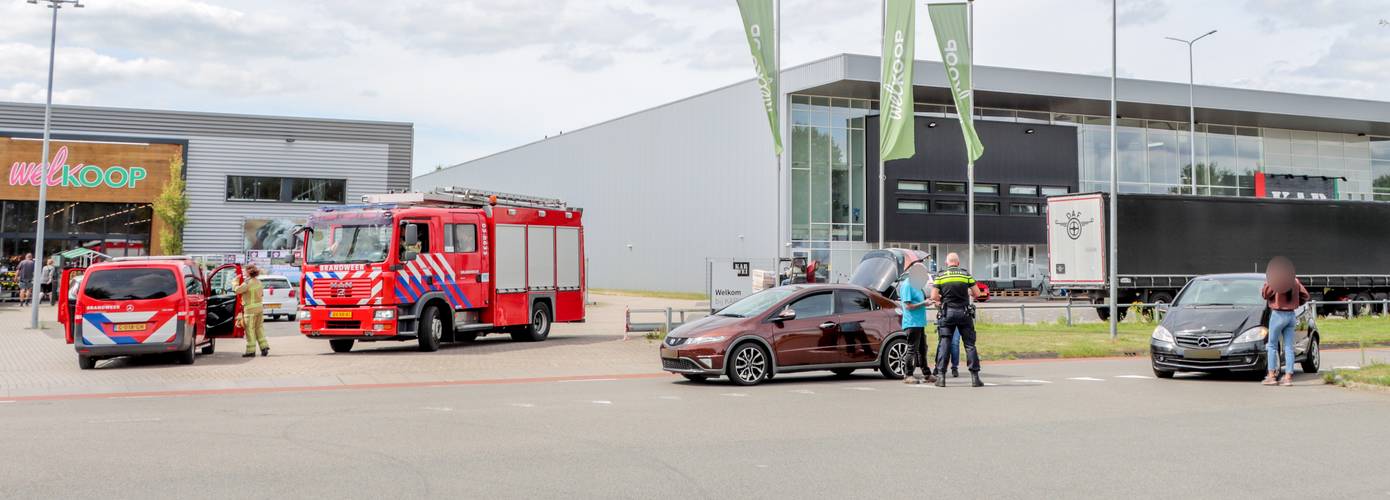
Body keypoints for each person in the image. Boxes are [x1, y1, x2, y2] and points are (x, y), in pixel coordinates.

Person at [931, 253, 982, 387]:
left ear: (947, 263)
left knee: (944, 343)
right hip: (964, 313)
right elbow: (978, 293)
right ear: (958, 263)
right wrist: (968, 292)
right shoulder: (965, 275)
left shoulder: (941, 276)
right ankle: (975, 377)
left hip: (947, 313)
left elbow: (934, 296)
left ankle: (941, 377)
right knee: (970, 345)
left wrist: (942, 298)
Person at [1261, 256, 1308, 387]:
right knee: (1289, 347)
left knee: (1271, 345)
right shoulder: (1295, 281)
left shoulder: (1275, 281)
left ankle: (1271, 376)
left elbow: (1265, 294)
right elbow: (1305, 296)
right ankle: (1288, 377)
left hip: (1277, 315)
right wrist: (1296, 303)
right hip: (1291, 315)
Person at [897, 262, 936, 384]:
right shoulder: (907, 285)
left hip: (919, 322)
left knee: (922, 349)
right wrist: (924, 303)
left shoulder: (916, 285)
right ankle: (908, 375)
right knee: (912, 349)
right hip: (912, 322)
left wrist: (928, 301)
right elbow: (908, 306)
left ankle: (927, 374)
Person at [235, 265, 269, 358]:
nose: (244, 273)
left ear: (249, 272)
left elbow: (237, 290)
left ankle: (251, 351)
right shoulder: (259, 282)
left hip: (250, 310)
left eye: (245, 271)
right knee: (259, 328)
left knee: (250, 330)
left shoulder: (247, 283)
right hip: (259, 309)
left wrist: (235, 282)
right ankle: (264, 348)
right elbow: (261, 294)